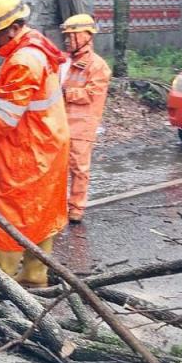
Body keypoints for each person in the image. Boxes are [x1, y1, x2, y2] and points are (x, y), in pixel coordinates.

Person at [0, 0, 70, 288]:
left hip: (26, 149)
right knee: (42, 210)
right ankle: (35, 274)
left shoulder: (22, 61)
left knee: (13, 210)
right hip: (48, 143)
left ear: (15, 26)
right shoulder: (40, 49)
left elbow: (4, 119)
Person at [59, 14, 111, 223]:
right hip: (61, 124)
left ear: (85, 36)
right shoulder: (65, 62)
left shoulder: (98, 66)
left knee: (79, 169)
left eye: (72, 36)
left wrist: (65, 93)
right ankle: (59, 206)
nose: (68, 40)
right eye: (67, 37)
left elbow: (92, 93)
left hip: (82, 126)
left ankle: (76, 208)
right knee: (59, 168)